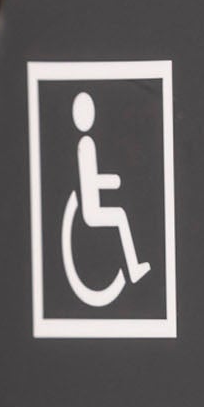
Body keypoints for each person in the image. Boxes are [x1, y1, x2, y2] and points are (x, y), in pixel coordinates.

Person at [72, 91, 150, 284]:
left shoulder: (86, 142)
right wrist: (113, 181)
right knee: (120, 216)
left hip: (91, 206)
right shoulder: (87, 144)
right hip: (91, 210)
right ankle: (132, 268)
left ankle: (132, 268)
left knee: (120, 216)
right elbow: (90, 180)